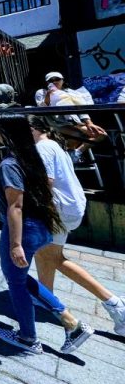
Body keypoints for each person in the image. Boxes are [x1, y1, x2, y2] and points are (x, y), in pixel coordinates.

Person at [0, 113, 93, 355]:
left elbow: (16, 206)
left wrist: (15, 244)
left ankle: (29, 338)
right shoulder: (30, 157)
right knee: (19, 276)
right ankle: (70, 322)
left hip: (23, 228)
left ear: (6, 134)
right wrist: (0, 206)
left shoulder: (10, 163)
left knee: (15, 281)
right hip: (40, 225)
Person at [29, 116, 125, 336]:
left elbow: (45, 182)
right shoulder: (54, 145)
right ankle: (45, 296)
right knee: (45, 253)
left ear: (34, 128)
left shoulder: (43, 147)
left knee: (53, 257)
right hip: (69, 207)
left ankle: (114, 303)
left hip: (59, 209)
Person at [35, 71, 107, 159]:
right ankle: (67, 155)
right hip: (56, 123)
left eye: (57, 79)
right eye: (51, 80)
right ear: (47, 82)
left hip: (75, 122)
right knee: (77, 134)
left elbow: (81, 107)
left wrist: (89, 123)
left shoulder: (71, 92)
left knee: (101, 134)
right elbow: (42, 108)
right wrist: (49, 94)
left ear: (62, 80)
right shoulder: (42, 92)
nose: (54, 82)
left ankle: (76, 153)